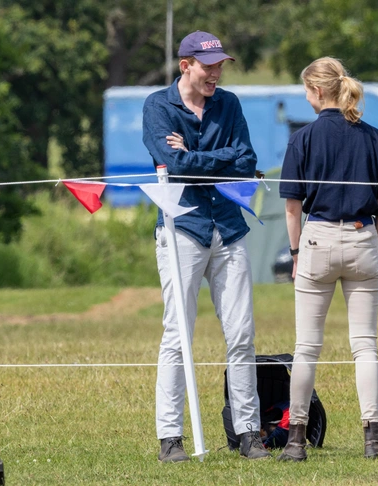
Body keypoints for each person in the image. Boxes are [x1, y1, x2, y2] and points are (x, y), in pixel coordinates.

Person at [142, 30, 270, 463]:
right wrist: (220, 158)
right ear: (185, 66)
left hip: (229, 228)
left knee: (241, 334)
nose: (216, 72)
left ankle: (249, 432)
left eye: (219, 65)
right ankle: (170, 437)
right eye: (208, 65)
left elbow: (248, 161)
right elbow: (171, 166)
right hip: (182, 227)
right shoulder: (158, 107)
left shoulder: (229, 104)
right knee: (178, 335)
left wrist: (197, 159)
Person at [276, 57, 378, 461]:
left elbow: (293, 209)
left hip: (318, 239)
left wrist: (296, 254)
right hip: (363, 236)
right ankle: (374, 436)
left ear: (315, 92)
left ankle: (295, 440)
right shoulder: (374, 137)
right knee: (365, 346)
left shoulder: (303, 139)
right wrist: (372, 247)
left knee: (306, 347)